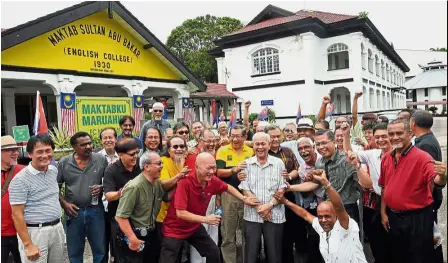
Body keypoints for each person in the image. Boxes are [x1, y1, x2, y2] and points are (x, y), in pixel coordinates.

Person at [159, 153, 260, 263]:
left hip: (193, 226)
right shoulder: (185, 182)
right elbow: (181, 213)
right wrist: (205, 219)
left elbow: (227, 187)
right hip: (175, 228)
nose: (212, 172)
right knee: (169, 259)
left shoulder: (212, 180)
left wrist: (244, 198)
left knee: (213, 252)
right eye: (208, 168)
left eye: (214, 167)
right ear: (197, 167)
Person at [274, 169, 368, 263]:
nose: (323, 220)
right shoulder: (320, 225)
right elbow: (305, 214)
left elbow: (339, 207)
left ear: (336, 215)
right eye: (320, 216)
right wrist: (285, 201)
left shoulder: (345, 226)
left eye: (327, 216)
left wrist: (325, 183)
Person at [379, 118, 436, 263]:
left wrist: (442, 176)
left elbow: (436, 180)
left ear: (410, 134)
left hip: (418, 218)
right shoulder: (387, 158)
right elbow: (385, 187)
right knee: (398, 255)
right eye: (391, 134)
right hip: (394, 217)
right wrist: (383, 212)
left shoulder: (423, 158)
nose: (395, 137)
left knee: (419, 256)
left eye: (399, 133)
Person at [9, 135, 64, 263]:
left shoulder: (52, 171)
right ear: (29, 154)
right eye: (39, 152)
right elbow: (17, 214)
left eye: (48, 150)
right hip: (35, 233)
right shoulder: (20, 180)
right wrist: (28, 245)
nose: (45, 155)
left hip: (57, 228)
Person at [58, 132, 109, 263]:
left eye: (90, 143)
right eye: (83, 145)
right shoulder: (64, 163)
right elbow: (54, 188)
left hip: (96, 210)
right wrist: (64, 204)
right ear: (74, 147)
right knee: (74, 252)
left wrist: (102, 187)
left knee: (100, 251)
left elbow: (110, 182)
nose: (88, 146)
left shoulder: (100, 160)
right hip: (73, 212)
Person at [115, 151, 172, 263]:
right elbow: (120, 217)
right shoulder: (134, 187)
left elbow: (167, 198)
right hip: (134, 235)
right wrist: (132, 238)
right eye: (159, 163)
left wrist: (181, 182)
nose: (162, 166)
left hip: (151, 234)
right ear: (147, 167)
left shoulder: (156, 183)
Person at [238, 132, 286, 263]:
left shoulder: (279, 163)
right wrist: (261, 208)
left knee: (274, 254)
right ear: (253, 146)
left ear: (269, 145)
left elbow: (282, 188)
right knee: (251, 255)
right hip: (252, 215)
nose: (260, 147)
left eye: (263, 143)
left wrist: (269, 206)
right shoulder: (246, 164)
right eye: (257, 144)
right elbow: (244, 188)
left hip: (275, 215)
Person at [346, 123, 391, 263]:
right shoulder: (373, 154)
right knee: (377, 245)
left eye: (384, 136)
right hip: (374, 206)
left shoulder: (399, 155)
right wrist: (346, 134)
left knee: (395, 246)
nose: (381, 140)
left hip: (394, 206)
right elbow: (350, 154)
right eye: (377, 137)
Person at [410, 110, 446, 263]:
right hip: (430, 198)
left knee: (428, 237)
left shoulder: (425, 145)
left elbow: (429, 178)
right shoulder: (425, 140)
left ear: (413, 124)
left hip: (428, 199)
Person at [216, 125, 254, 263]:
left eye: (239, 136)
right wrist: (235, 170)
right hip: (228, 196)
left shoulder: (251, 151)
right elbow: (218, 172)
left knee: (248, 234)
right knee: (228, 234)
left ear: (245, 137)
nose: (235, 138)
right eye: (233, 135)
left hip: (248, 195)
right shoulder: (222, 150)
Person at [264, 126, 301, 263]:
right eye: (272, 136)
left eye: (277, 136)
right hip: (268, 196)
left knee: (288, 230)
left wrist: (288, 178)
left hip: (287, 194)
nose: (275, 139)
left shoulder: (288, 151)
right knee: (270, 233)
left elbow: (297, 169)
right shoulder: (262, 151)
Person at [185, 130, 221, 263]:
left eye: (213, 140)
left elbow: (217, 181)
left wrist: (218, 198)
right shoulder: (193, 156)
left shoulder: (218, 153)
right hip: (198, 199)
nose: (211, 143)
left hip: (213, 197)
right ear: (200, 141)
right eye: (208, 141)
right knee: (200, 232)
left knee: (213, 230)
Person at [103, 138, 142, 263]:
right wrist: (123, 192)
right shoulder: (111, 170)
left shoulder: (141, 165)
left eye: (137, 153)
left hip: (140, 217)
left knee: (142, 252)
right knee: (123, 255)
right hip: (120, 219)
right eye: (132, 154)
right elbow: (109, 195)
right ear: (120, 155)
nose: (135, 156)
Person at [314, 130, 363, 224]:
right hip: (328, 209)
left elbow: (362, 182)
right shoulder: (319, 162)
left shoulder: (346, 159)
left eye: (324, 143)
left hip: (347, 208)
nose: (321, 147)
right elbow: (315, 184)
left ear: (334, 142)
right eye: (318, 144)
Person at [155, 135, 190, 261]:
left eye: (182, 146)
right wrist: (179, 177)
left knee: (181, 253)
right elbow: (163, 185)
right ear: (168, 149)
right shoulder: (163, 161)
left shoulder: (186, 161)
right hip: (164, 217)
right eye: (175, 146)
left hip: (182, 215)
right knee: (168, 254)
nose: (179, 149)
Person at [2, 136, 26, 263]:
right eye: (10, 150)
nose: (15, 153)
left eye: (16, 149)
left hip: (22, 232)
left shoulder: (24, 171)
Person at [98, 127, 119, 263]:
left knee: (117, 241)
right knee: (102, 241)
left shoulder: (122, 156)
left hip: (119, 204)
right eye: (105, 138)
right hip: (102, 205)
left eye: (110, 137)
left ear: (116, 139)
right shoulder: (96, 158)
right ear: (101, 141)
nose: (108, 140)